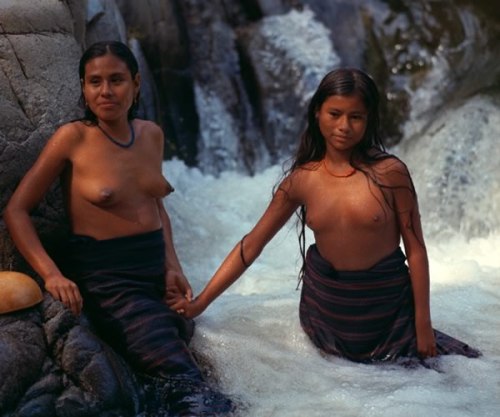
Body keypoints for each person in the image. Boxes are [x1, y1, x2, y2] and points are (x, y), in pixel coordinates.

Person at [169, 68, 480, 363]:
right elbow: (251, 245)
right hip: (327, 315)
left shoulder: (390, 173)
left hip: (389, 313)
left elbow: (416, 249)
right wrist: (201, 303)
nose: (344, 126)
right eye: (335, 114)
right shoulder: (302, 180)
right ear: (317, 113)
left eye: (355, 117)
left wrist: (423, 324)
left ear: (369, 120)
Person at [4, 40, 233, 416]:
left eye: (116, 80)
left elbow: (156, 203)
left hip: (154, 274)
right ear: (83, 88)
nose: (105, 91)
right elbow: (17, 210)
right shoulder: (72, 139)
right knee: (188, 385)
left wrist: (172, 265)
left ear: (136, 83)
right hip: (110, 285)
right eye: (94, 82)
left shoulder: (150, 134)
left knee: (187, 366)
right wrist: (52, 276)